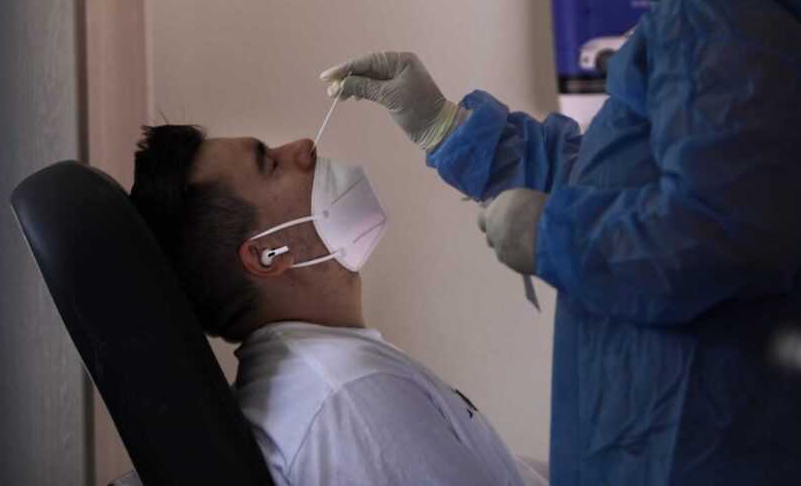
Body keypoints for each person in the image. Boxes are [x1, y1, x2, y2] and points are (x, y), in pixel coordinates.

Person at [321, 0, 801, 484]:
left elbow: (721, 233)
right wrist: (448, 127)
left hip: (711, 445)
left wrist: (552, 235)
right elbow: (639, 175)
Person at [129, 124, 548, 486]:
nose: (304, 147)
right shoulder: (351, 398)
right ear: (266, 255)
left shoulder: (330, 374)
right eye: (271, 164)